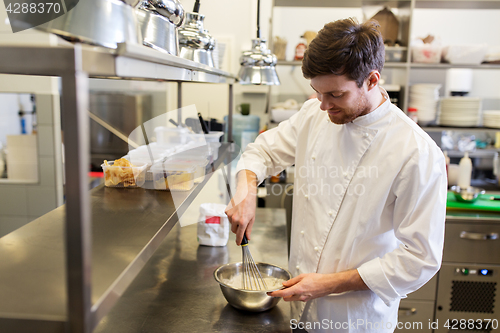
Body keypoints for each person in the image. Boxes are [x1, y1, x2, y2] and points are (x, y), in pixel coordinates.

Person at [225, 18, 446, 333]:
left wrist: (326, 284)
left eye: (336, 95)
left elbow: (420, 259)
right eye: (317, 92)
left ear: (372, 80)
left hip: (356, 319)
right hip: (298, 308)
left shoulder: (417, 153)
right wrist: (245, 192)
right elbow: (262, 153)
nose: (324, 105)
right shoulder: (313, 114)